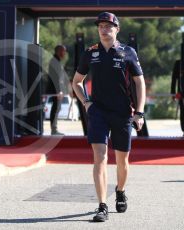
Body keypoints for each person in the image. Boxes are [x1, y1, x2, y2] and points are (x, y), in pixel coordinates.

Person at [72, 12, 146, 222]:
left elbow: (139, 82)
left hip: (123, 112)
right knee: (100, 158)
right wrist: (86, 102)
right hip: (98, 113)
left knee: (122, 160)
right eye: (101, 26)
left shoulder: (127, 52)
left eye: (108, 26)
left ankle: (120, 191)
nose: (104, 30)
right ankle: (102, 205)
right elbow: (76, 81)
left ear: (117, 29)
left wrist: (139, 112)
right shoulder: (90, 53)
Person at [47, 45, 68, 135]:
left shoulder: (56, 61)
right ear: (59, 51)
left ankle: (54, 129)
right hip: (56, 90)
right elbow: (56, 78)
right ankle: (54, 129)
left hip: (57, 90)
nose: (64, 53)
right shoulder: (55, 61)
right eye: (63, 51)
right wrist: (59, 91)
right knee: (55, 109)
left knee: (56, 108)